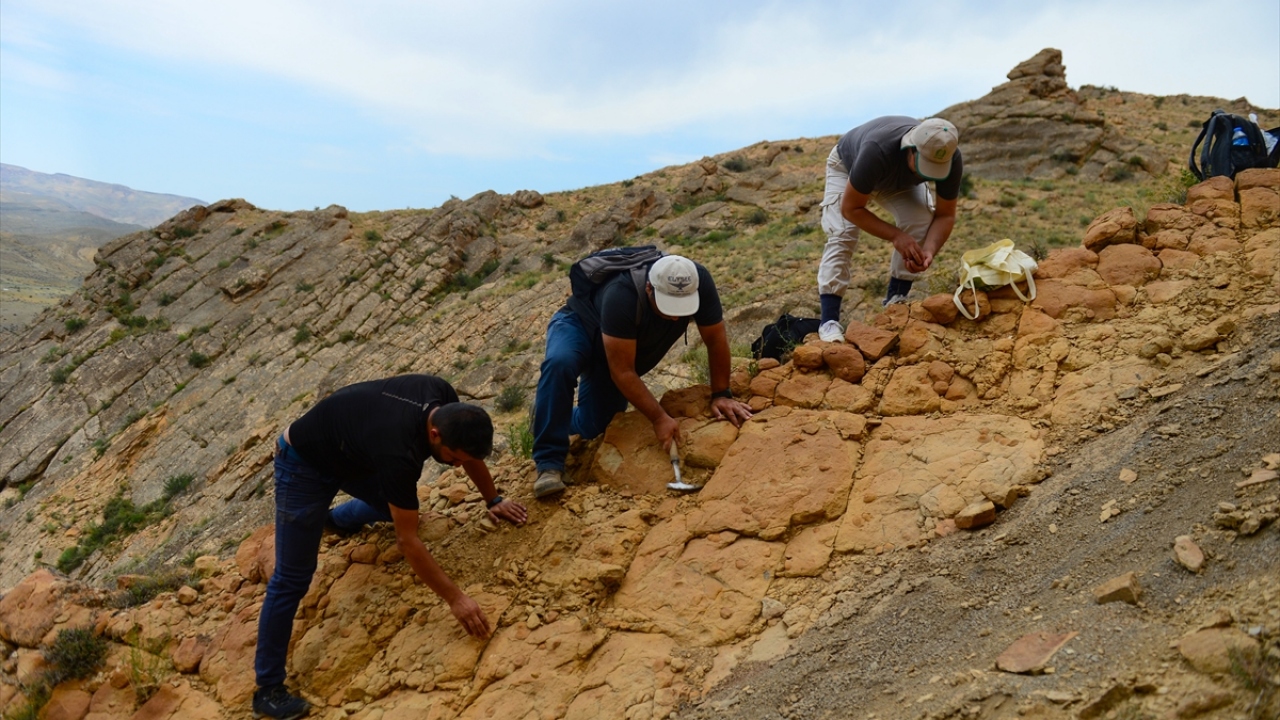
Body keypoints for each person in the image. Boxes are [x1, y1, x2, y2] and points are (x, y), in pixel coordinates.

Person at [252, 374, 528, 719]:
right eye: (453, 459)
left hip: (354, 452)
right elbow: (407, 541)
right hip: (303, 462)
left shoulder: (444, 399)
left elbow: (467, 453)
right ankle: (267, 690)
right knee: (293, 577)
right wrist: (456, 599)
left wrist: (493, 499)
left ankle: (335, 521)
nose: (457, 466)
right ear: (434, 434)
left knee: (400, 510)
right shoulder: (398, 452)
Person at [531, 254, 753, 498]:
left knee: (596, 424)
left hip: (617, 350)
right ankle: (549, 464)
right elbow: (622, 371)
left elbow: (715, 338)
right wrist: (658, 418)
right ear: (649, 288)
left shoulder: (698, 281)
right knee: (560, 363)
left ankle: (546, 412)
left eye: (682, 309)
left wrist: (722, 393)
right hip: (579, 326)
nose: (675, 317)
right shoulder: (622, 294)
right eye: (669, 306)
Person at [816, 116, 963, 343]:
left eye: (936, 170)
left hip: (895, 182)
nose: (927, 175)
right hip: (848, 167)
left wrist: (929, 250)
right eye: (925, 167)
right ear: (911, 148)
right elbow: (851, 208)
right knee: (843, 234)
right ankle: (828, 321)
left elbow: (945, 215)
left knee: (920, 218)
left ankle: (895, 303)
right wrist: (896, 236)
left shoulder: (948, 155)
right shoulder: (877, 150)